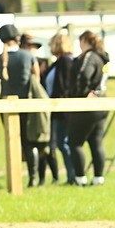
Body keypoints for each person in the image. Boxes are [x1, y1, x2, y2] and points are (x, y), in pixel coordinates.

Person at [0, 24, 43, 187]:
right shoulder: (28, 56)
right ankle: (33, 177)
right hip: (28, 104)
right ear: (17, 38)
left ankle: (15, 176)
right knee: (29, 141)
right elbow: (37, 81)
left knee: (13, 141)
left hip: (6, 107)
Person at [67, 30, 110, 186]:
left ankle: (80, 178)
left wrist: (82, 92)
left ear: (85, 41)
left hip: (86, 105)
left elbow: (85, 74)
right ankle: (99, 178)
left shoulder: (89, 57)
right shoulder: (103, 58)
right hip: (101, 104)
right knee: (96, 142)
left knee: (75, 143)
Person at [40, 33, 77, 185]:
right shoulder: (57, 63)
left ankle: (73, 175)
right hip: (56, 110)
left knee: (64, 143)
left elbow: (65, 86)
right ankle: (72, 175)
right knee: (61, 143)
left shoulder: (66, 62)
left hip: (63, 111)